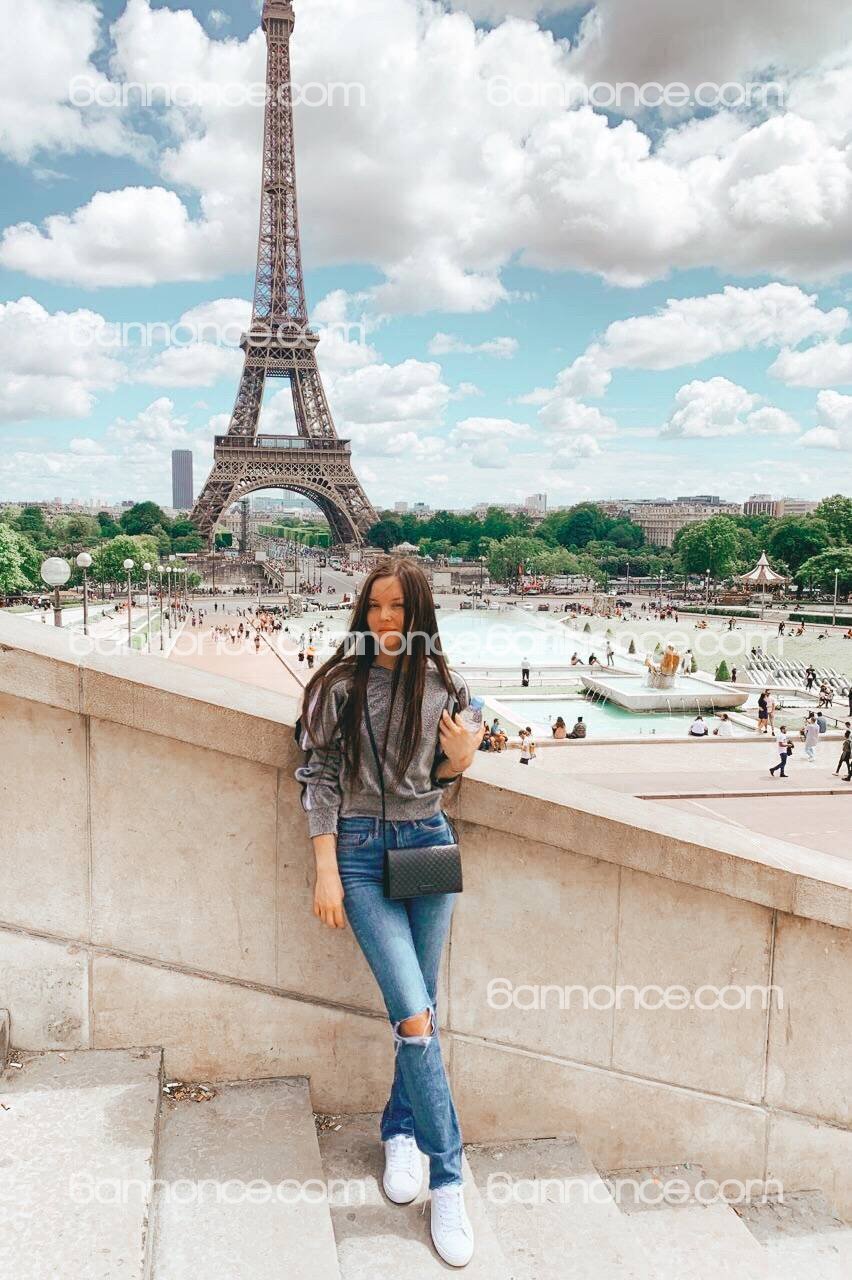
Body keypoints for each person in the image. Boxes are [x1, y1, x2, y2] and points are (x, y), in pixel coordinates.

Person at [294, 556, 482, 1267]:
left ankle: (401, 1132)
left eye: (397, 607)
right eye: (374, 606)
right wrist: (325, 868)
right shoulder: (338, 685)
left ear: (419, 612)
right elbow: (317, 775)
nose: (384, 620)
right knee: (414, 1015)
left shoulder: (447, 687)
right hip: (360, 856)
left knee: (420, 1009)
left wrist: (462, 760)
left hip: (428, 844)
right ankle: (449, 1178)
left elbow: (442, 774)